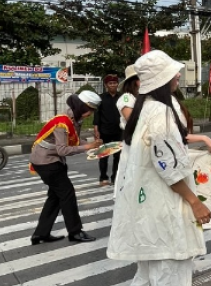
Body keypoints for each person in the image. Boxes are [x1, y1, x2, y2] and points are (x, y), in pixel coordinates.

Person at [106, 50, 211, 286]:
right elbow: (168, 167)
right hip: (163, 212)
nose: (178, 77)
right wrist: (195, 203)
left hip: (142, 213)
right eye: (174, 73)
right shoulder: (162, 114)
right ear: (162, 80)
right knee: (171, 285)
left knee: (146, 280)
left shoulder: (139, 112)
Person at [29, 91, 103, 245]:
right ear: (81, 107)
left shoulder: (75, 119)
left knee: (55, 196)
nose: (90, 113)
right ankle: (75, 232)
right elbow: (63, 149)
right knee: (67, 193)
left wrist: (92, 144)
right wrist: (88, 146)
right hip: (47, 162)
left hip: (51, 161)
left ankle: (40, 233)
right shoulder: (62, 122)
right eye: (89, 109)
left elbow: (74, 140)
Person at [112, 65, 140, 196]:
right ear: (135, 81)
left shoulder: (139, 97)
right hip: (132, 138)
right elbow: (132, 119)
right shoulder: (127, 98)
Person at [93, 74, 123, 186]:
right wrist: (96, 130)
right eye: (110, 83)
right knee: (104, 156)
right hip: (104, 131)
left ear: (117, 84)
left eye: (114, 83)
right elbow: (97, 115)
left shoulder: (122, 97)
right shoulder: (100, 98)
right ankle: (103, 178)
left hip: (119, 131)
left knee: (118, 156)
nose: (113, 85)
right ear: (106, 85)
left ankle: (115, 177)